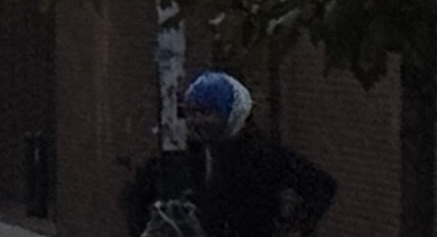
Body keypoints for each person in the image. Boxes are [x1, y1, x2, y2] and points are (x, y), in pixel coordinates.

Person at [121, 73, 334, 237]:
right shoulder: (181, 159)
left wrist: (293, 226)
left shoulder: (264, 156)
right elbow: (135, 196)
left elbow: (320, 186)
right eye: (192, 113)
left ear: (233, 114)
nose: (197, 121)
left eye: (206, 113)